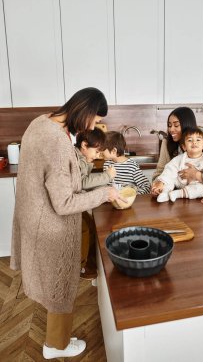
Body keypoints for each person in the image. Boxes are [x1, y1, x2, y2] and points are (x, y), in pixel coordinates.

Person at [10, 87, 124, 360]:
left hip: (33, 217)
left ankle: (57, 337)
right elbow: (63, 204)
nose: (93, 126)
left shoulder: (41, 122)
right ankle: (55, 346)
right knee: (60, 288)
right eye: (94, 120)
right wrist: (104, 193)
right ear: (85, 111)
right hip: (51, 225)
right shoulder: (58, 144)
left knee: (52, 287)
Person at [151, 106, 203, 195]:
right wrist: (158, 186)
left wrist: (198, 176)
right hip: (173, 198)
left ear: (186, 124)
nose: (171, 129)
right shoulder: (166, 143)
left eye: (176, 125)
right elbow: (158, 174)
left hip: (201, 201)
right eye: (169, 125)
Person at [75, 128, 116, 280]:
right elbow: (83, 182)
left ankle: (89, 261)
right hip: (72, 204)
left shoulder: (82, 158)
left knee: (91, 226)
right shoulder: (77, 160)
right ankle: (80, 266)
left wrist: (90, 162)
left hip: (78, 203)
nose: (98, 156)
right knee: (85, 229)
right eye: (97, 152)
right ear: (84, 145)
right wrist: (106, 176)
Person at [152, 127, 203, 204]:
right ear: (184, 147)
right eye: (190, 140)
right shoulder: (180, 158)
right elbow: (170, 169)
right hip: (179, 182)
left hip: (196, 184)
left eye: (198, 140)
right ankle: (165, 193)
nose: (194, 142)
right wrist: (161, 182)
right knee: (170, 179)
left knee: (201, 189)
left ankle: (177, 194)